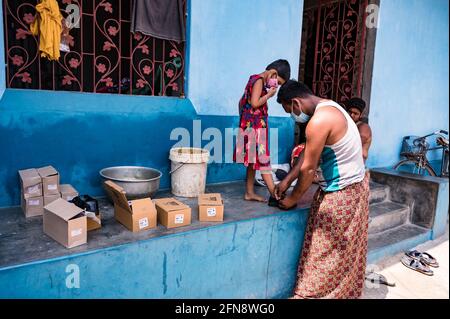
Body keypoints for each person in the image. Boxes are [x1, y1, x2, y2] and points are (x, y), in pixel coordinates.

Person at [275, 80, 370, 299]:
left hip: (342, 193)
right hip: (351, 187)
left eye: (289, 111)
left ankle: (310, 295)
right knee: (338, 254)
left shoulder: (318, 121)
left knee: (322, 254)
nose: (292, 116)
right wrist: (287, 180)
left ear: (296, 103)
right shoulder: (330, 106)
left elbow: (309, 169)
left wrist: (293, 198)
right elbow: (309, 151)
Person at [234, 60, 290, 202]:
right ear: (273, 73)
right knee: (263, 158)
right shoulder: (259, 81)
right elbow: (254, 103)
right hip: (255, 126)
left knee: (253, 160)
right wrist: (269, 96)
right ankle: (274, 195)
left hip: (251, 124)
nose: (276, 86)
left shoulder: (253, 79)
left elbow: (242, 102)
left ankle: (249, 192)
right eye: (278, 82)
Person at [344, 97, 372, 162]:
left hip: (356, 165)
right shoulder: (348, 124)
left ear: (361, 115)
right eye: (350, 112)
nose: (351, 115)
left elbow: (355, 145)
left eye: (355, 113)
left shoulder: (363, 127)